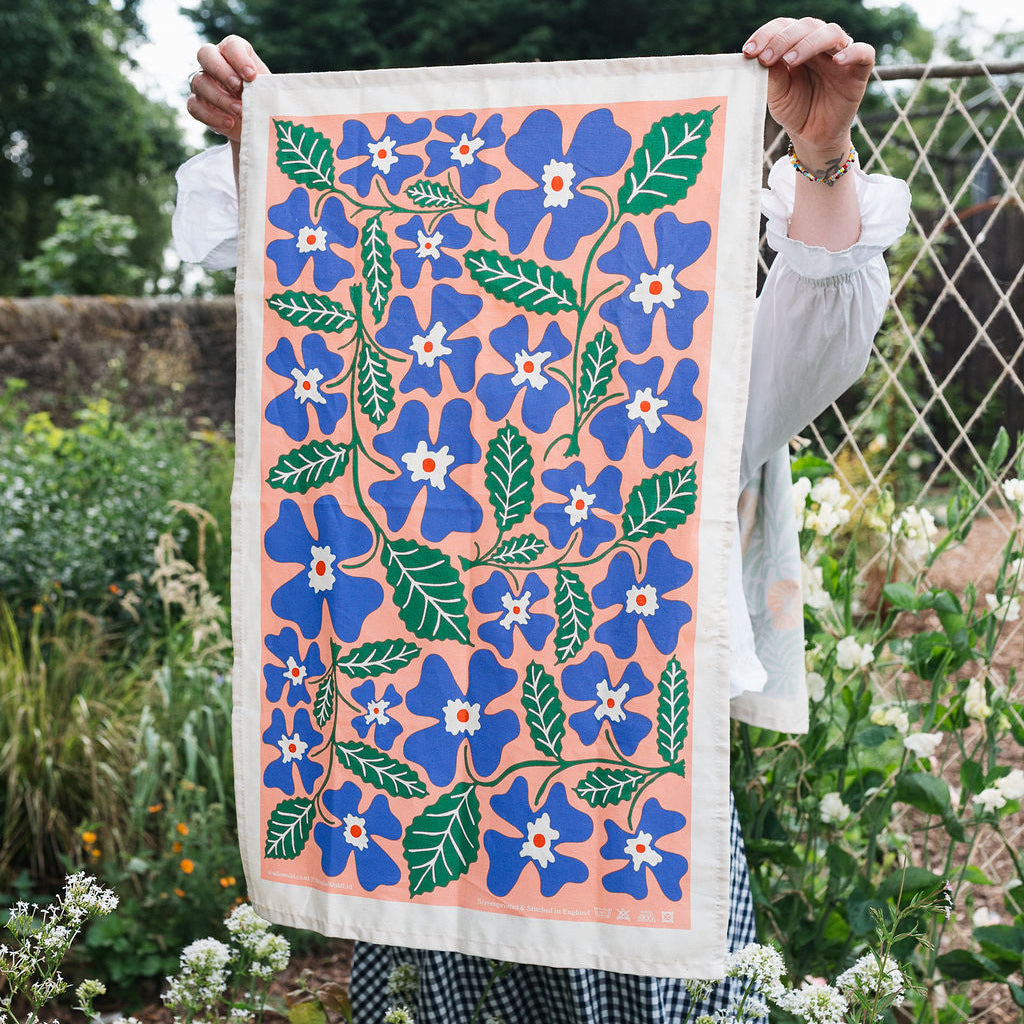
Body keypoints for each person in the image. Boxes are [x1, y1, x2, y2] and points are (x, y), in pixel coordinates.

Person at [174, 18, 910, 1023]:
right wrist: (272, 148)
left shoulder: (687, 358)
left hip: (630, 821)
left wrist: (821, 151)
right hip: (432, 795)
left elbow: (822, 328)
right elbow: (323, 292)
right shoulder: (411, 350)